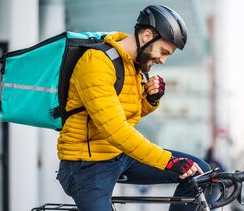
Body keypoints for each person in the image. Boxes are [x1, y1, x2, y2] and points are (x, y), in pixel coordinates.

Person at [56, 5, 213, 211]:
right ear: (147, 35)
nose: (163, 61)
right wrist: (168, 161)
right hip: (87, 164)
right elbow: (116, 129)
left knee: (201, 173)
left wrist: (151, 100)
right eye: (163, 51)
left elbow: (125, 115)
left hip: (118, 155)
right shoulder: (97, 63)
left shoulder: (131, 65)